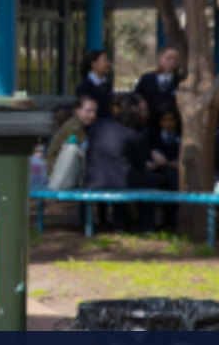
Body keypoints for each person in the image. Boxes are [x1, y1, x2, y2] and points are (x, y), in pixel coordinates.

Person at [85, 93, 160, 231]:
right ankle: (146, 225)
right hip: (118, 180)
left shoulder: (99, 124)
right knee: (150, 180)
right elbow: (139, 164)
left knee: (122, 175)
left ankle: (119, 225)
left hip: (93, 178)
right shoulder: (136, 133)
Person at [45, 95, 97, 174]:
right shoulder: (74, 129)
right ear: (77, 111)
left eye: (94, 111)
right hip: (62, 176)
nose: (93, 115)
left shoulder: (78, 126)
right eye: (88, 111)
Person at [133, 44, 182, 119]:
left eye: (175, 59)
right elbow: (137, 96)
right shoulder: (147, 78)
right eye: (168, 58)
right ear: (160, 58)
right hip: (149, 121)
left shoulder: (181, 81)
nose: (172, 61)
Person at [75, 51, 113, 119]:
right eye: (105, 60)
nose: (108, 64)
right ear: (93, 64)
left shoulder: (107, 84)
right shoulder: (85, 87)